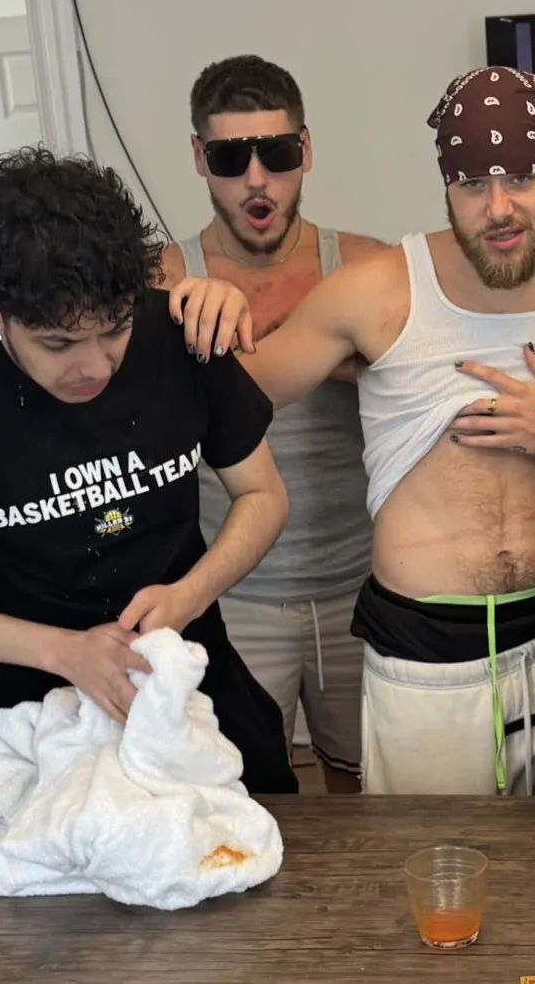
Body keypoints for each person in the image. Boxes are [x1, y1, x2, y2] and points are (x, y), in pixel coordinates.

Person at [237, 66, 535, 796]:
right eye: (472, 183)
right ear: (446, 186)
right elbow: (235, 395)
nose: (498, 207)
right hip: (424, 663)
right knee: (428, 859)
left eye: (522, 178)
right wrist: (197, 309)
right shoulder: (378, 290)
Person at [0, 148, 300, 796]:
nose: (95, 366)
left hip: (194, 682)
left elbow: (263, 494)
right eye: (58, 344)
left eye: (115, 329)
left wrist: (189, 594)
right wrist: (63, 651)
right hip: (44, 712)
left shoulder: (179, 334)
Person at [158, 54, 391, 793]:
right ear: (200, 158)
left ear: (306, 151)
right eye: (231, 158)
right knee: (240, 802)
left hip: (363, 583)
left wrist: (330, 350)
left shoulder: (367, 267)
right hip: (233, 594)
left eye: (277, 153)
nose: (256, 179)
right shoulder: (161, 279)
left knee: (367, 798)